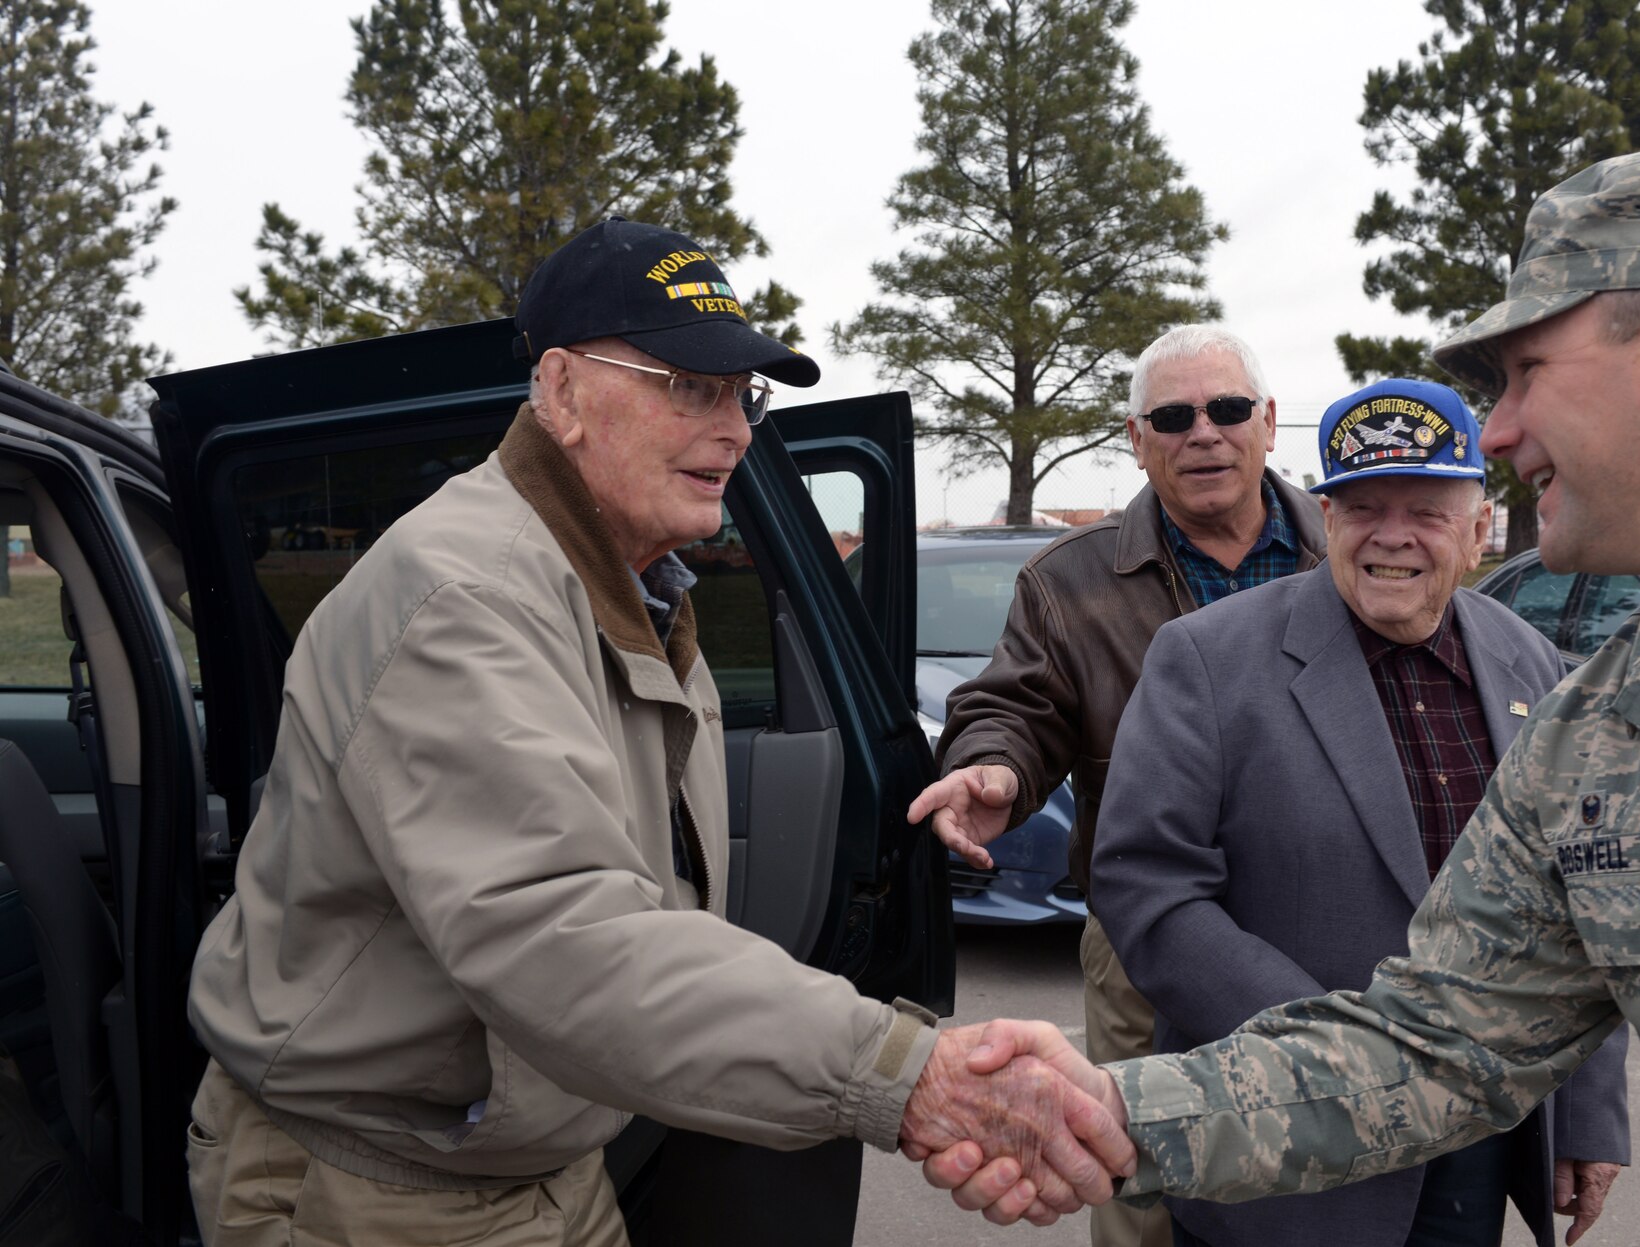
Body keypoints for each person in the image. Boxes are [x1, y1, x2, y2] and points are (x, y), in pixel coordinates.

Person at [936, 146, 1640, 1245]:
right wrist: (1108, 1106)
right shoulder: (1598, 735)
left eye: (1528, 370)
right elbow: (1438, 1040)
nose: (1495, 431)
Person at [182, 218, 1131, 1246]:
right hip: (377, 1191)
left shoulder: (630, 586)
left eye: (741, 394)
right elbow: (564, 936)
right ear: (559, 389)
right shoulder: (465, 599)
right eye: (687, 384)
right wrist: (909, 1074)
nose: (733, 428)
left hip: (527, 1165)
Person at [1090, 377, 1629, 1247]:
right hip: (1277, 1149)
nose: (1392, 535)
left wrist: (1589, 1113)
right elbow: (1147, 890)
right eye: (1363, 506)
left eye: (1426, 509)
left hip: (1477, 1144)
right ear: (1328, 520)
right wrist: (1336, 1060)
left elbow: (1588, 902)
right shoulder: (1207, 660)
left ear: (1479, 528)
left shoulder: (1532, 662)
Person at [909, 323, 1329, 1247]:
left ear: (1266, 423)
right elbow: (1017, 705)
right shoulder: (1069, 581)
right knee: (1134, 1156)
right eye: (1172, 416)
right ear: (1136, 441)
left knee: (1331, 1146)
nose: (1203, 434)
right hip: (1146, 927)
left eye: (1225, 410)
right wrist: (995, 766)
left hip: (1324, 914)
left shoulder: (1345, 550)